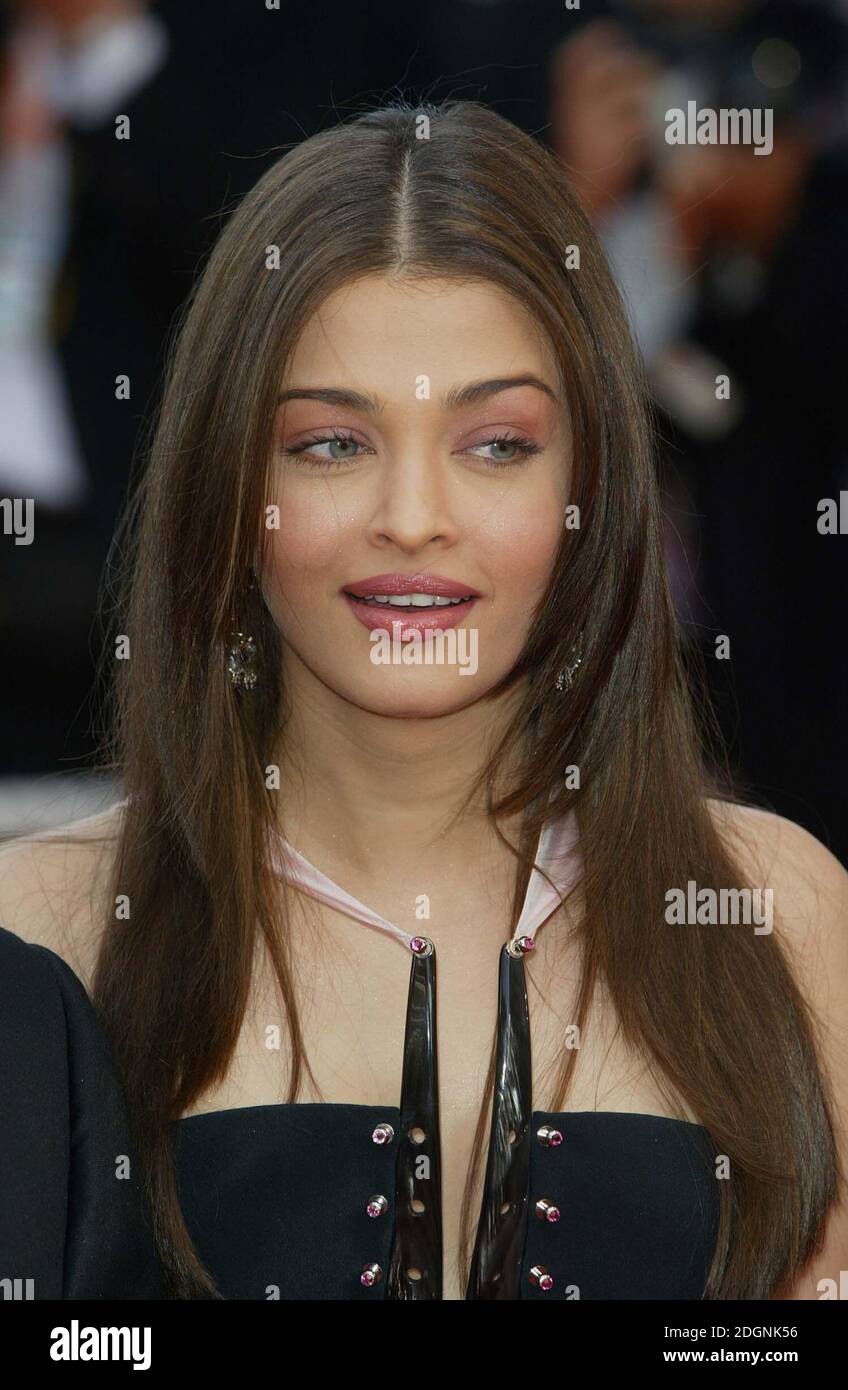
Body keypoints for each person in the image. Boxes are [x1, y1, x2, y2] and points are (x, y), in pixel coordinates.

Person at [0, 98, 846, 1301]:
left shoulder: (780, 917)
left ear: (591, 487)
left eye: (494, 444)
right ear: (232, 491)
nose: (412, 515)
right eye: (332, 445)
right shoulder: (42, 937)